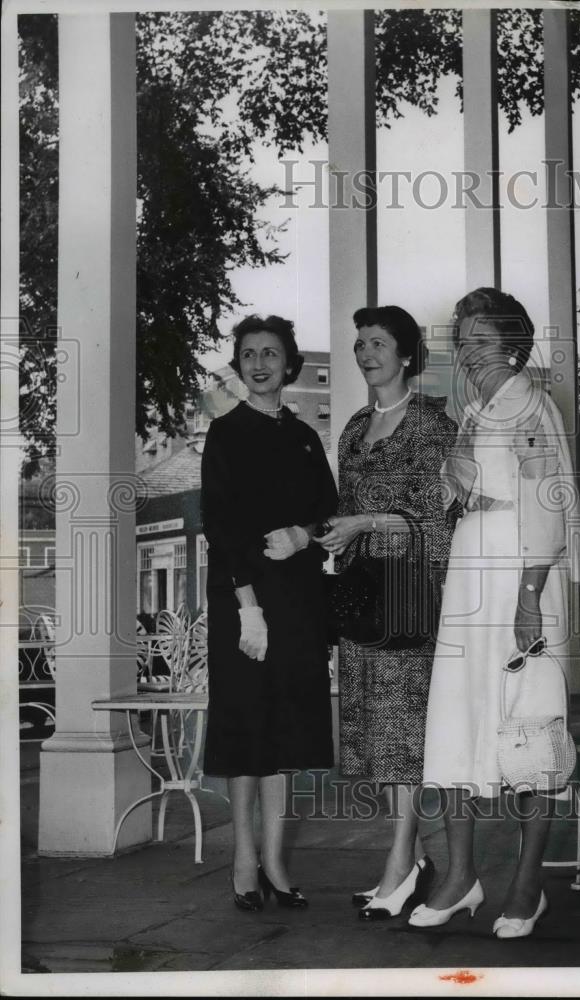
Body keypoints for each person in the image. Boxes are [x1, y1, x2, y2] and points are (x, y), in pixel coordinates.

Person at [410, 289, 580, 938]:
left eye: (482, 341)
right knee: (459, 725)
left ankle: (527, 884)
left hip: (519, 583)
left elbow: (545, 507)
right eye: (462, 341)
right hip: (470, 582)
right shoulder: (475, 412)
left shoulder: (530, 405)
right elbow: (463, 499)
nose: (469, 353)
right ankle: (459, 878)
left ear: (512, 344)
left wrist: (530, 597)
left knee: (527, 732)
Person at [317, 305, 457, 920]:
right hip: (361, 594)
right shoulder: (349, 430)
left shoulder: (432, 425)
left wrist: (369, 523)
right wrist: (336, 537)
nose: (366, 353)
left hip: (407, 593)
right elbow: (344, 506)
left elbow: (441, 521)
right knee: (374, 735)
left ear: (406, 355)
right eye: (359, 344)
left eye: (378, 342)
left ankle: (400, 864)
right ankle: (412, 856)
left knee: (402, 734)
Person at [200, 314, 338, 912]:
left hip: (298, 601)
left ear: (289, 365)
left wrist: (304, 535)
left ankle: (278, 864)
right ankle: (242, 863)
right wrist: (247, 607)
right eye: (249, 353)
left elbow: (329, 514)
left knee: (286, 731)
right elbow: (222, 527)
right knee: (245, 727)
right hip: (243, 601)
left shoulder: (305, 437)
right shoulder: (225, 433)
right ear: (240, 364)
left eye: (271, 354)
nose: (259, 363)